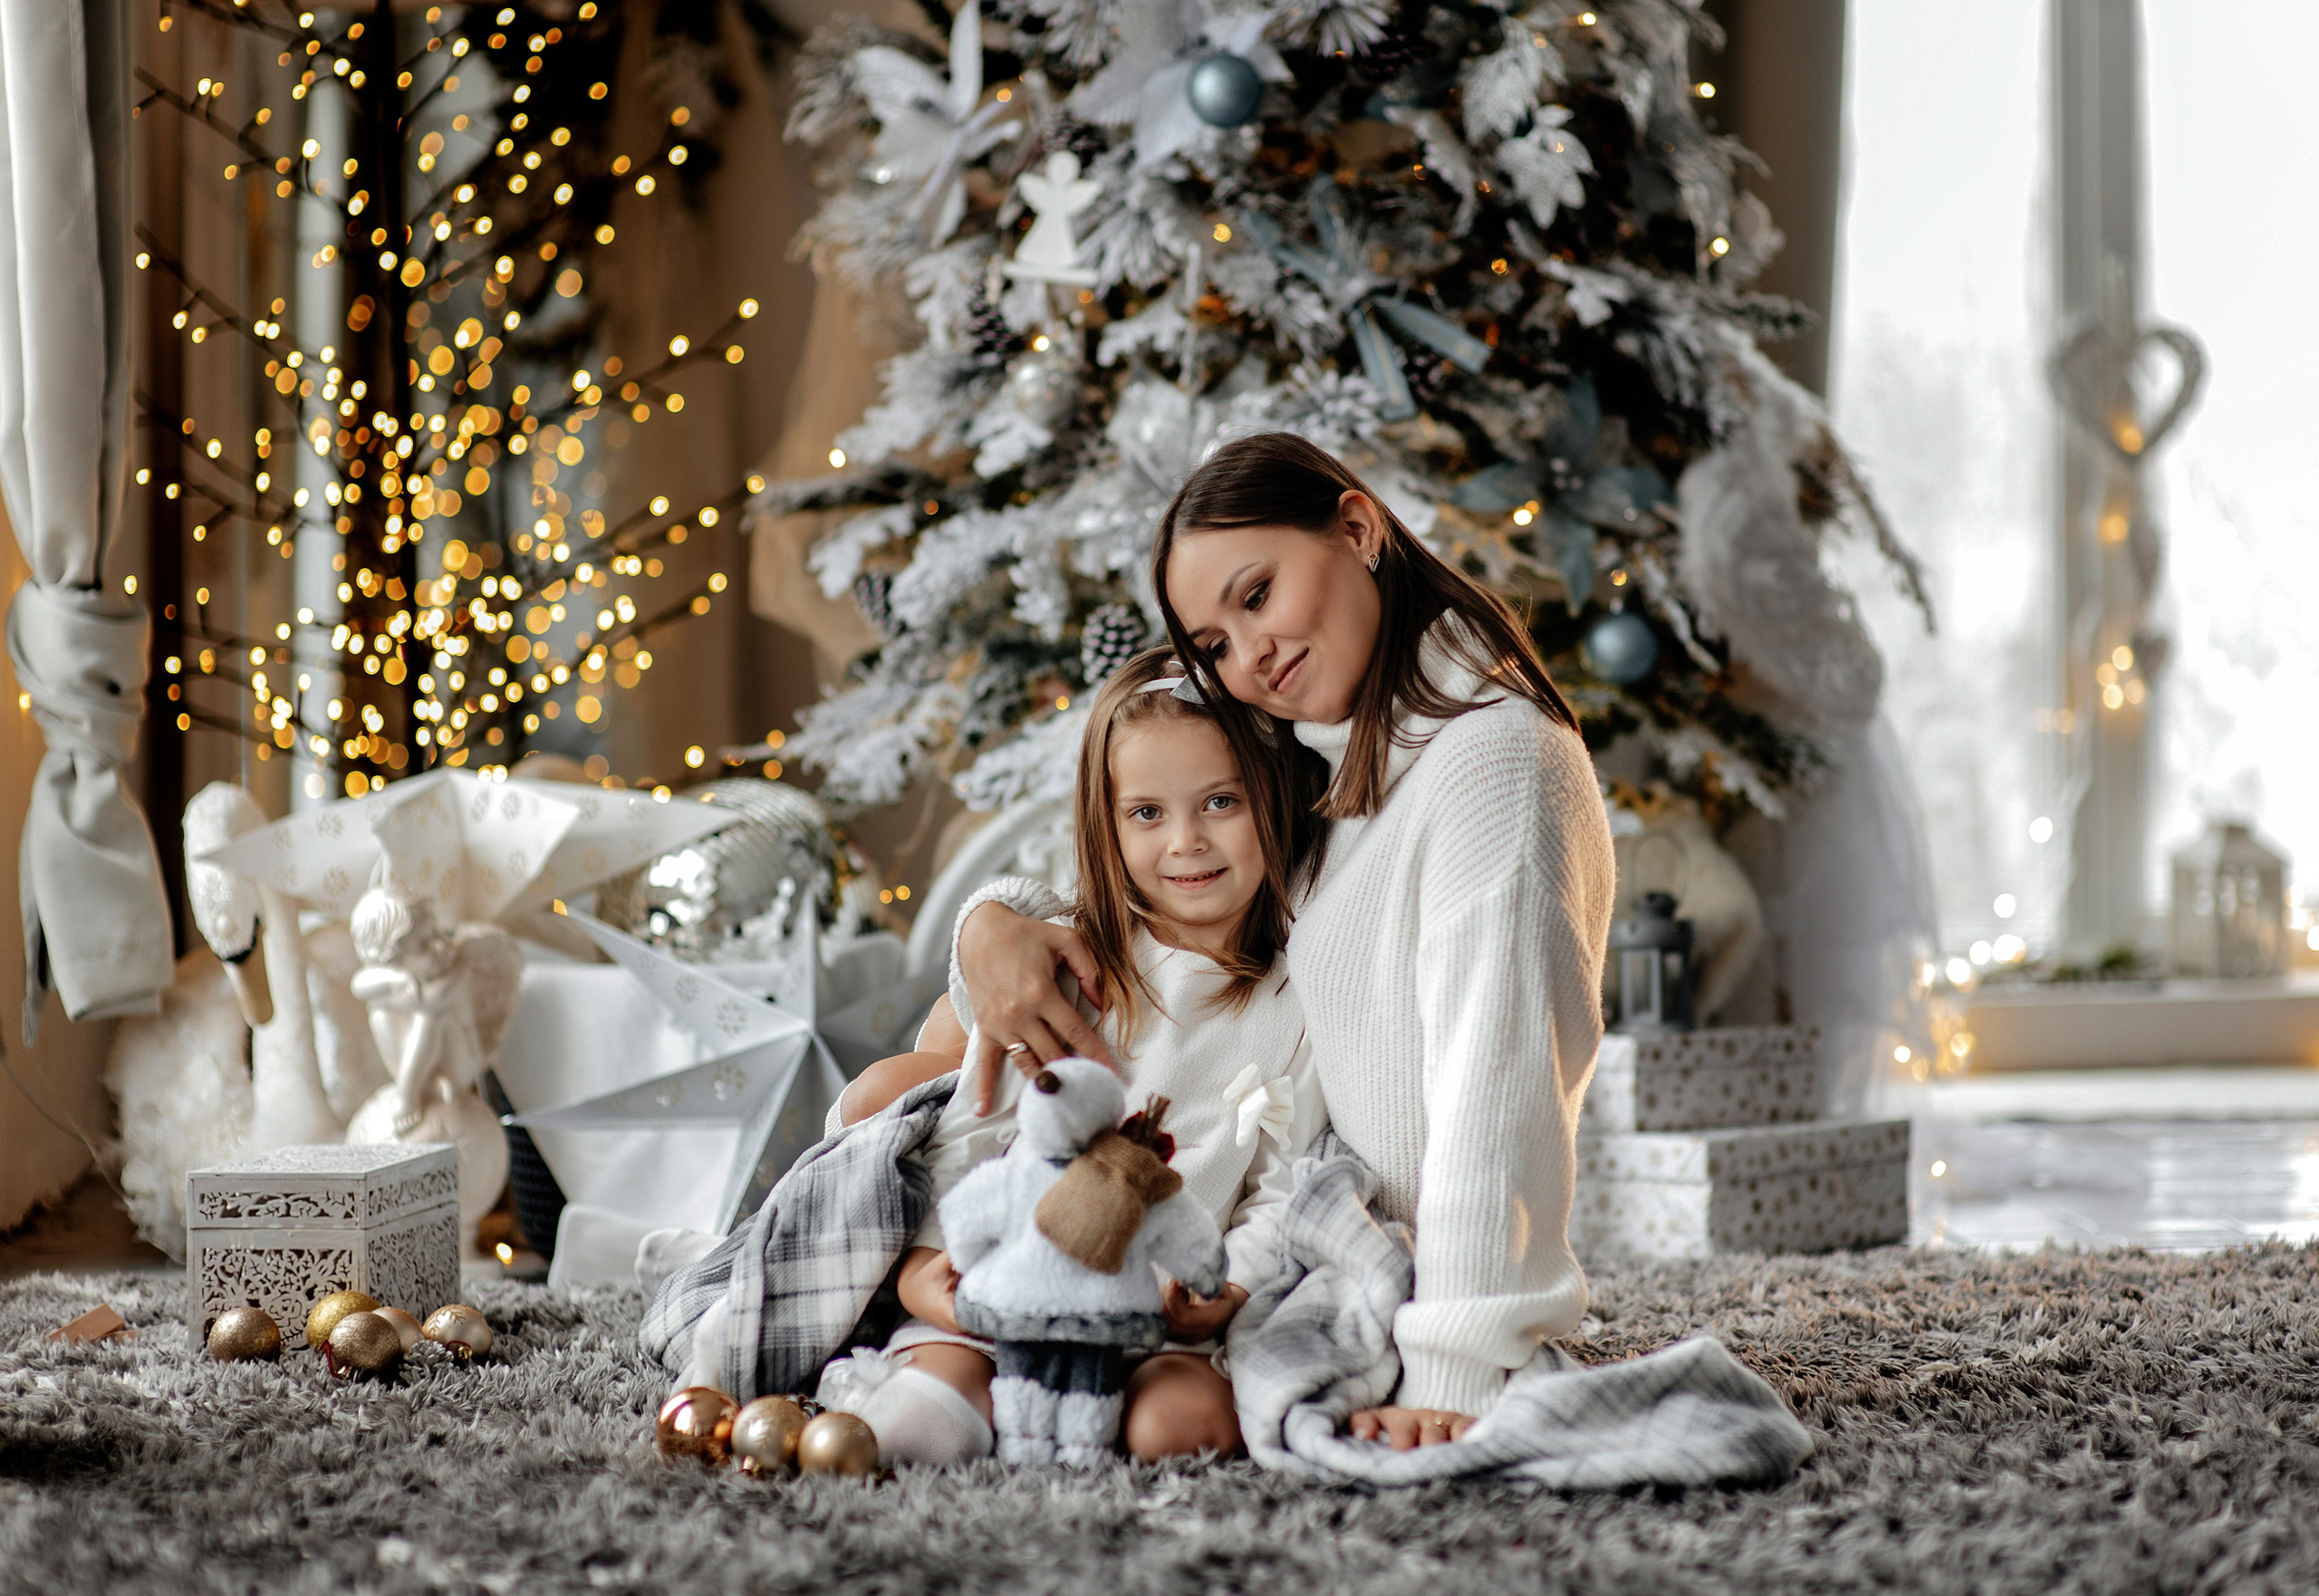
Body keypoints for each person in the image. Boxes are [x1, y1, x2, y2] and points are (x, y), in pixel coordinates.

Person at [952, 432, 1616, 1450]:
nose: (1247, 657)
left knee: (1173, 1422)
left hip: (1376, 1267)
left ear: (1357, 530)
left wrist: (1457, 1375)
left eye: (1256, 595)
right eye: (1212, 644)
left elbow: (1500, 1088)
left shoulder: (1492, 762)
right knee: (904, 1107)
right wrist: (985, 922)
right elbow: (1147, 905)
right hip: (1297, 1229)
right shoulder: (1339, 761)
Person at [828, 645, 1328, 1465]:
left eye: (1220, 802)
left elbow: (1284, 1179)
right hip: (1020, 1281)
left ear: (1273, 799)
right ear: (1107, 823)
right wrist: (927, 1257)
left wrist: (1228, 1283)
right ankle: (918, 1429)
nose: (1187, 842)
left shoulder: (1297, 1000)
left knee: (1180, 1428)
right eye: (1147, 814)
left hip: (1163, 1308)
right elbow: (977, 1120)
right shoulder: (1080, 964)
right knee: (947, 1374)